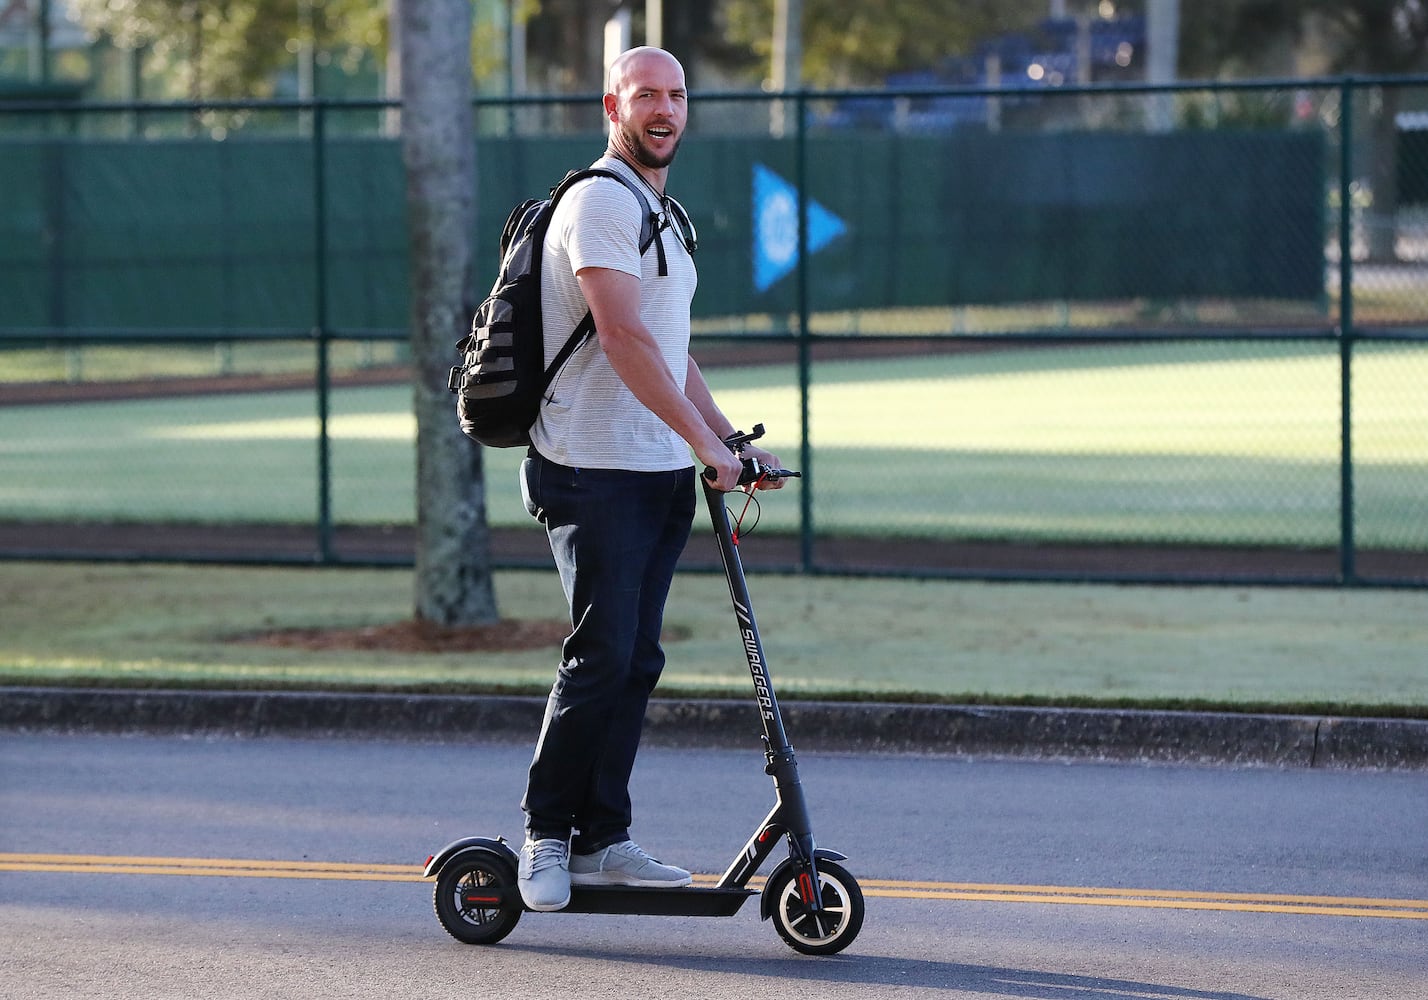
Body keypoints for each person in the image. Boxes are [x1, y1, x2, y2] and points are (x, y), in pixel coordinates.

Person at [515, 45, 783, 912]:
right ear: (612, 105)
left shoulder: (660, 210)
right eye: (646, 96)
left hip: (659, 472)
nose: (664, 109)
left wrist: (724, 440)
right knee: (598, 657)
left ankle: (603, 837)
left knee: (635, 661)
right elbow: (622, 337)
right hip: (593, 470)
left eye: (676, 94)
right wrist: (701, 445)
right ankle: (546, 835)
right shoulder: (598, 201)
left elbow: (671, 349)